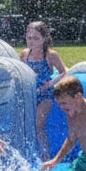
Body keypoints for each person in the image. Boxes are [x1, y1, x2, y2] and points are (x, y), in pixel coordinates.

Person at [19, 21, 67, 161]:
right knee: (24, 125)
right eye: (29, 38)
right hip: (29, 95)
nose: (31, 42)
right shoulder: (25, 54)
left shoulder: (50, 55)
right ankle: (28, 156)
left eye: (36, 38)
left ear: (43, 39)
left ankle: (46, 157)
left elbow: (64, 72)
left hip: (45, 95)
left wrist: (49, 84)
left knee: (38, 125)